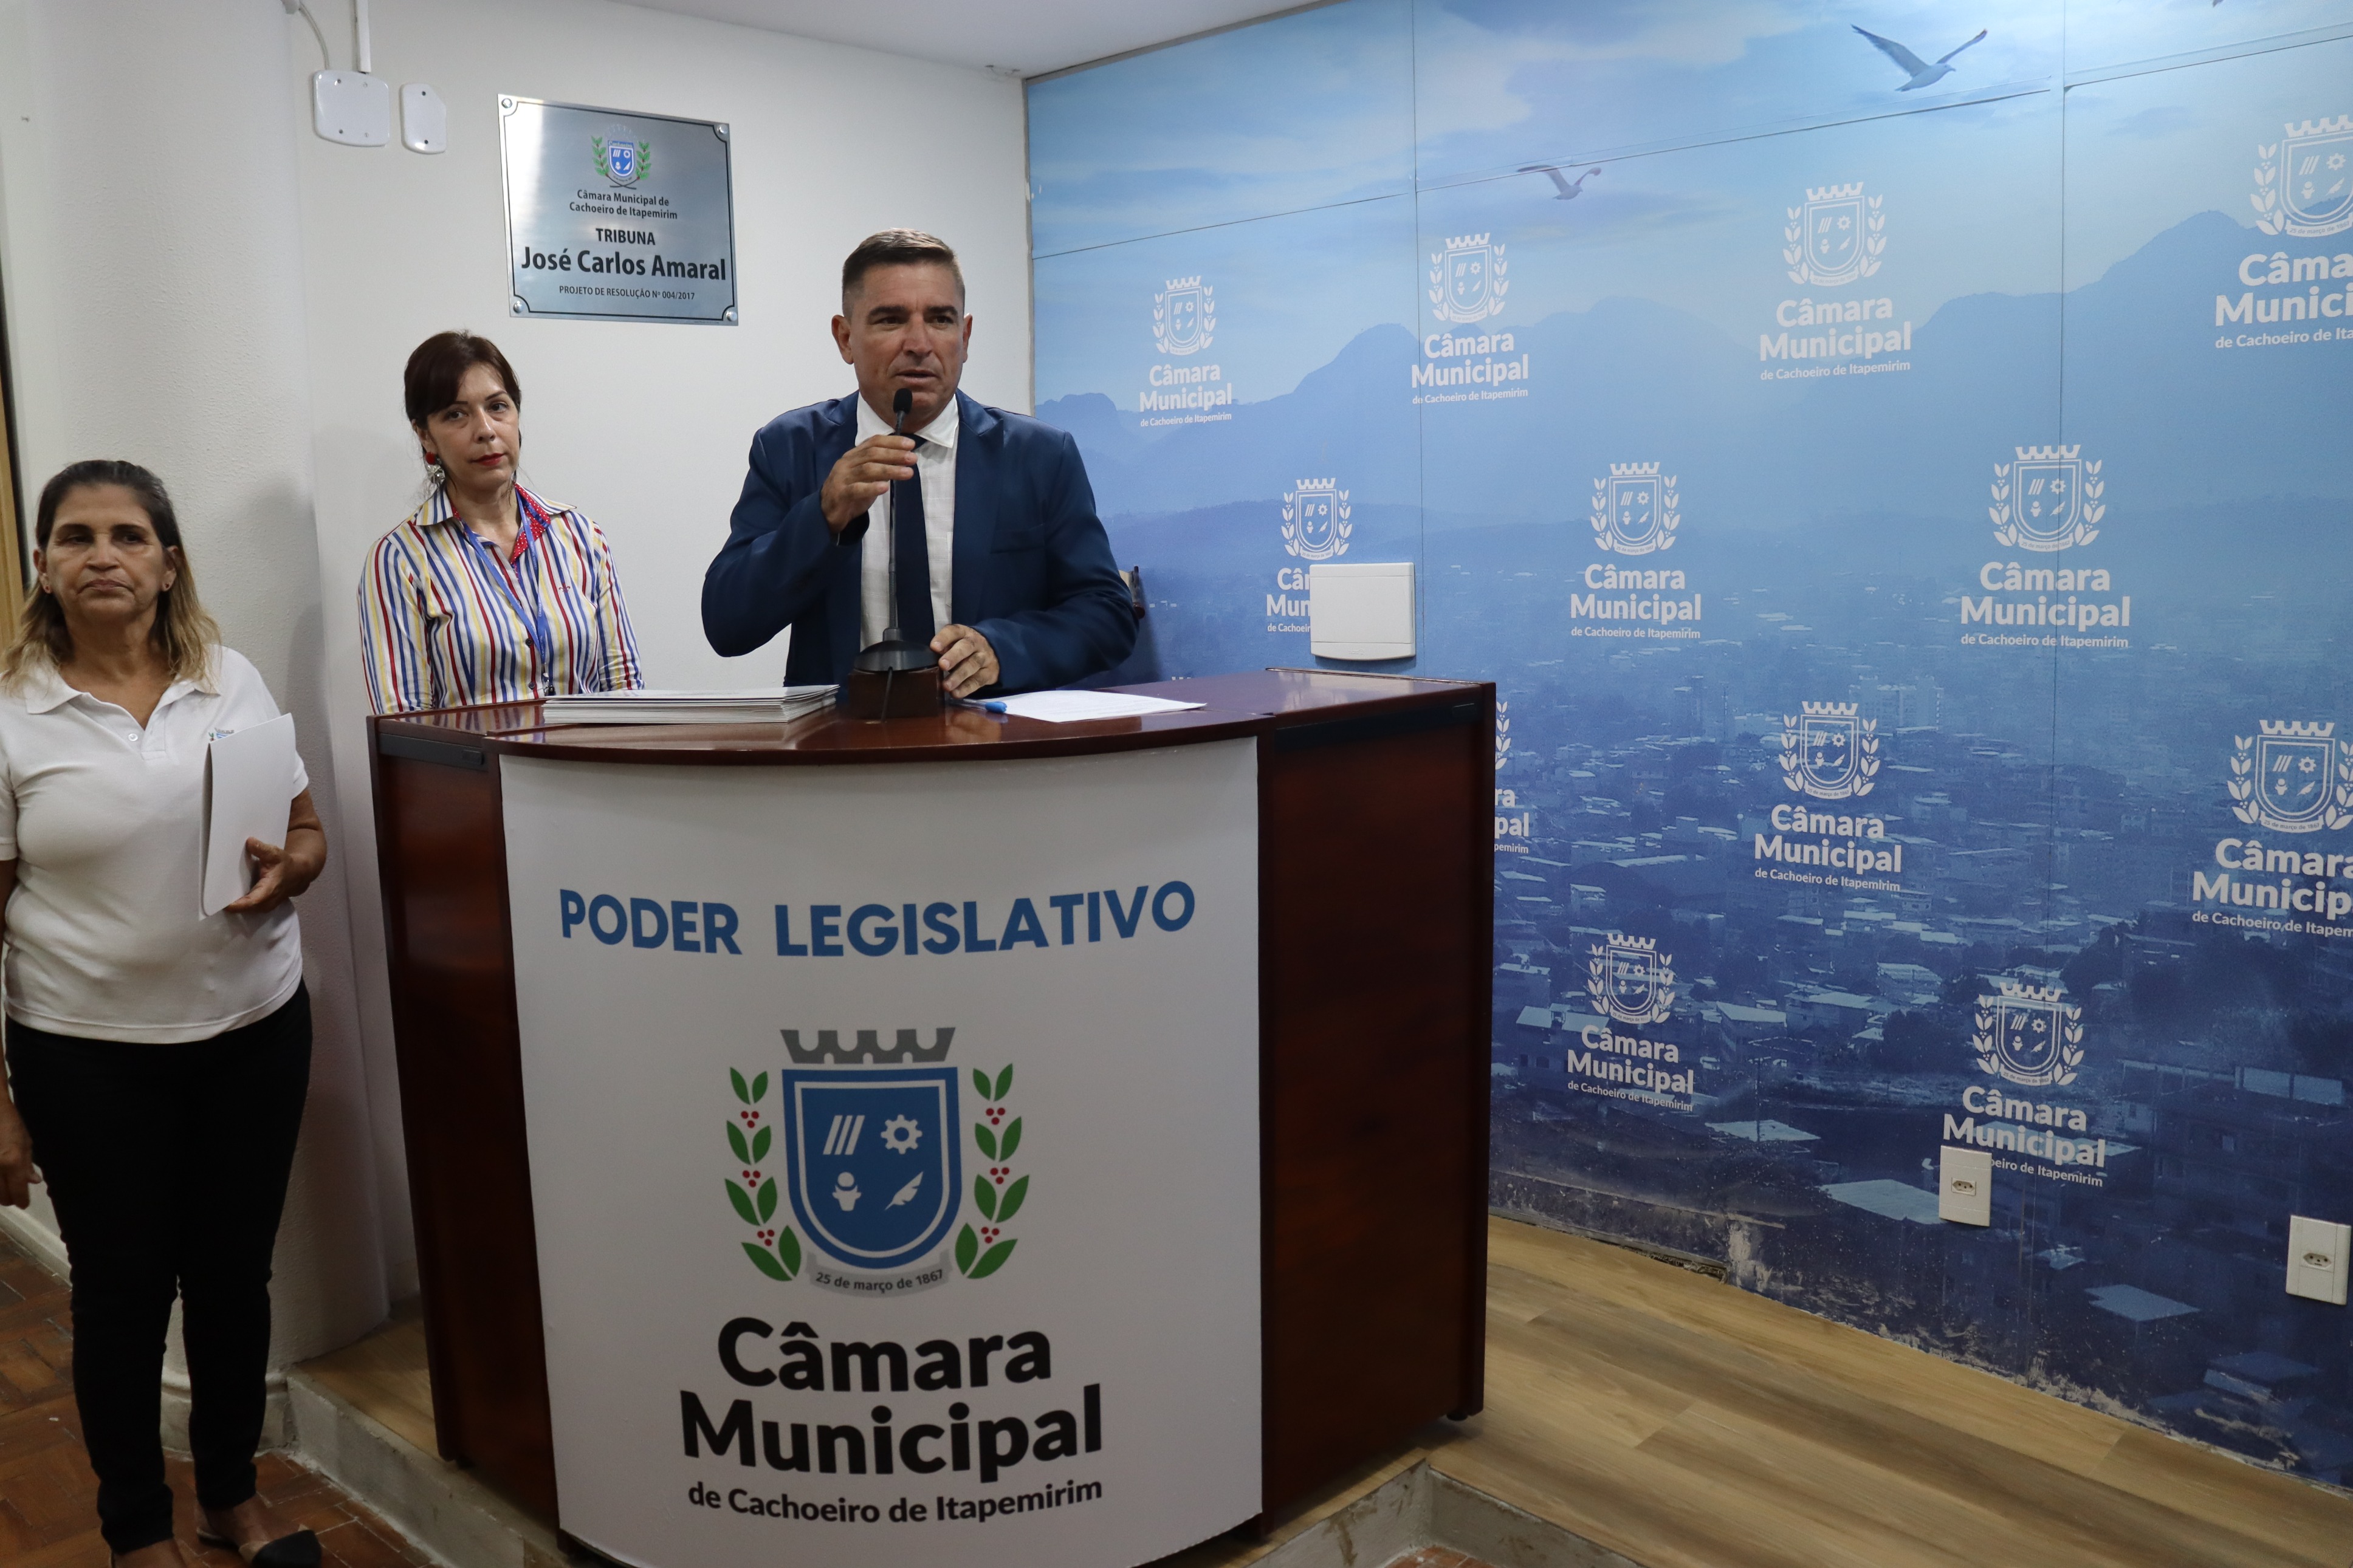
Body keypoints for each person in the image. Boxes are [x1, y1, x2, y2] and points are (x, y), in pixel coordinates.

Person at [0, 460, 328, 1568]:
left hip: (254, 1033)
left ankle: (230, 1497)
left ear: (169, 562)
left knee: (235, 1280)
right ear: (43, 564)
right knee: (122, 1296)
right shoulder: (12, 715)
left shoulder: (229, 680)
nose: (104, 554)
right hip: (86, 1058)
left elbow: (307, 832)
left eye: (129, 535)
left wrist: (293, 867)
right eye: (77, 536)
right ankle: (136, 1528)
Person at [701, 230, 1135, 695]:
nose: (919, 343)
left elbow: (1106, 613)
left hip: (991, 733)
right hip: (840, 736)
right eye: (891, 320)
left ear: (965, 337)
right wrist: (823, 517)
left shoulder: (1039, 456)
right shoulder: (790, 448)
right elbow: (727, 624)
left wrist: (1003, 650)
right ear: (845, 338)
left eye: (940, 319)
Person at [358, 330, 644, 713]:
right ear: (426, 436)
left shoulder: (581, 537)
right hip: (473, 755)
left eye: (497, 407)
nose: (486, 430)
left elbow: (624, 690)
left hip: (584, 753)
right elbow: (405, 725)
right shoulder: (400, 560)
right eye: (456, 414)